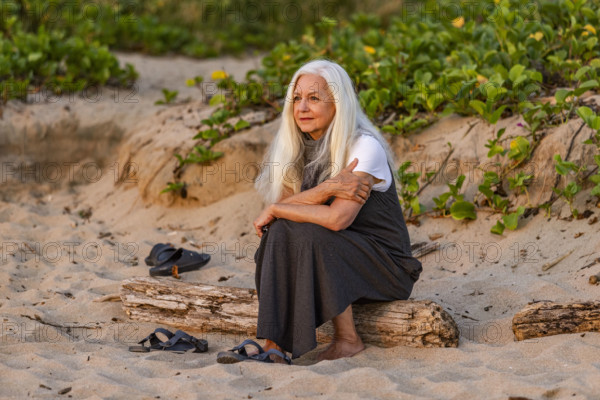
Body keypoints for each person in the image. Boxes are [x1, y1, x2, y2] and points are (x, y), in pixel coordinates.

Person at [252, 59, 422, 362]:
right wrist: (326, 189)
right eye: (297, 98)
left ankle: (348, 340)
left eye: (314, 98)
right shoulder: (295, 148)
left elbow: (336, 219)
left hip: (385, 267)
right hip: (338, 258)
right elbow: (280, 214)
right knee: (279, 231)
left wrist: (280, 207)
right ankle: (272, 345)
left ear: (339, 104)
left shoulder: (363, 147)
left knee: (310, 230)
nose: (302, 107)